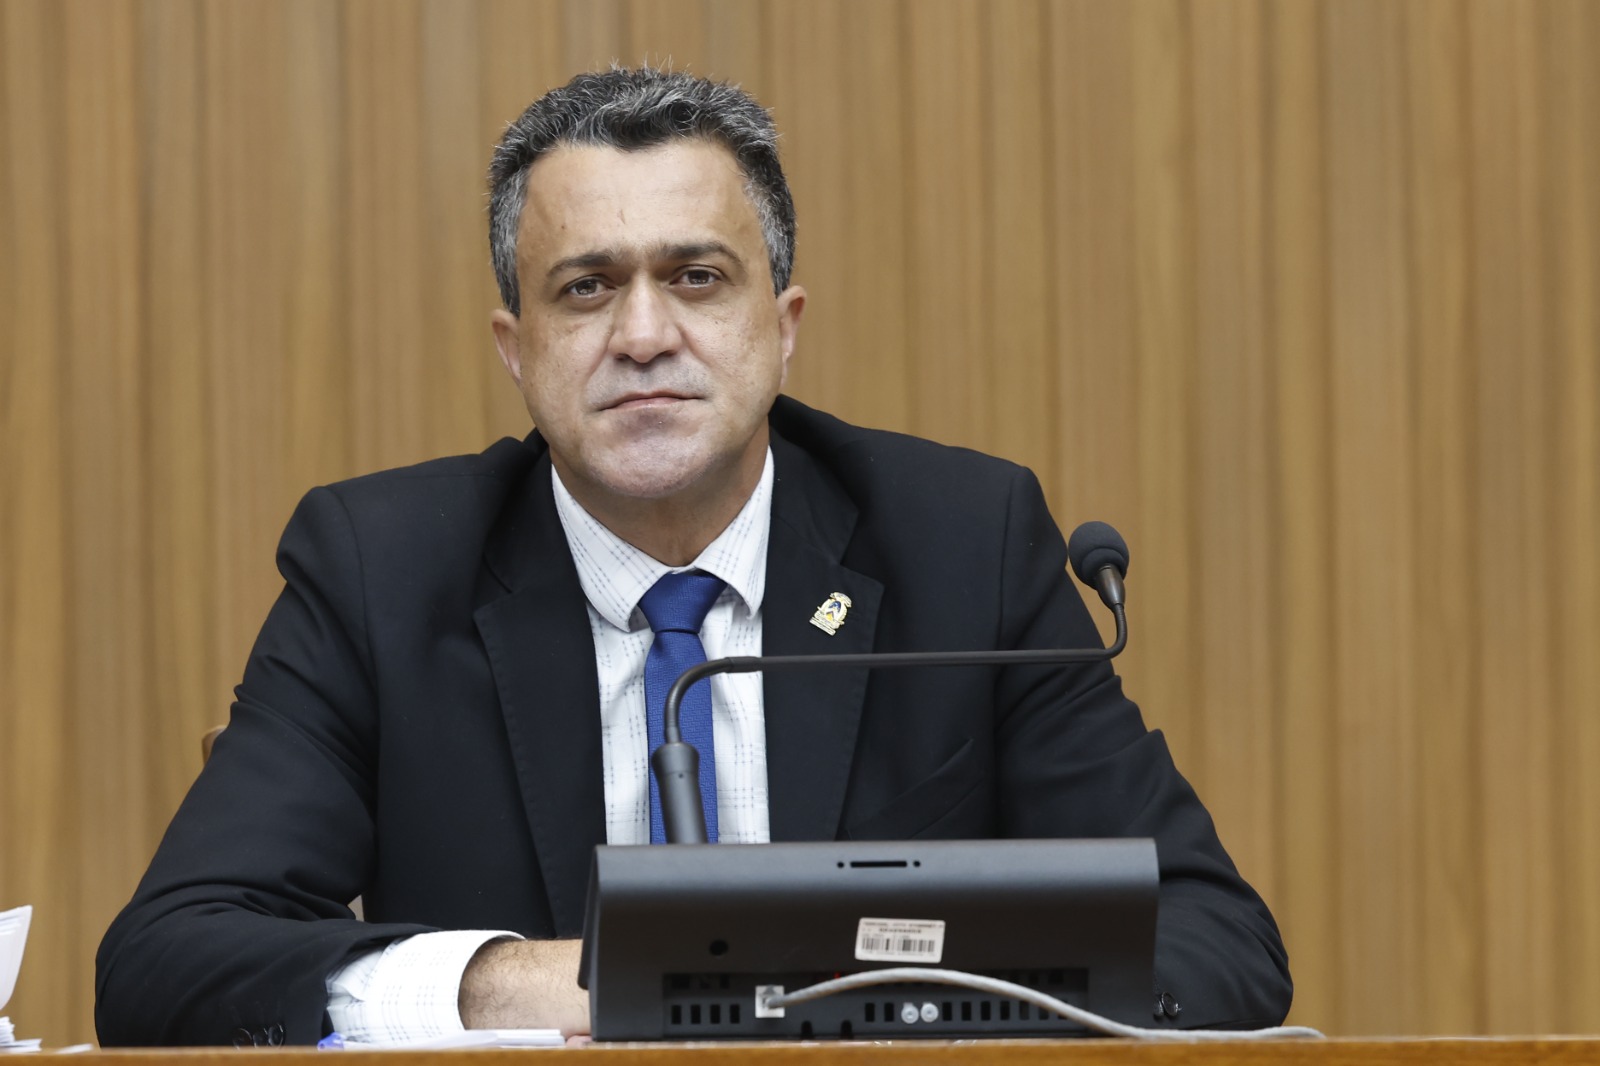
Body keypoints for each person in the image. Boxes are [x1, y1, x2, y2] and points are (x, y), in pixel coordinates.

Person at [95, 67, 1292, 1047]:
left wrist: (857, 998)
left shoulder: (963, 542)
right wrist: (530, 982)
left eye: (697, 278)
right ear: (516, 347)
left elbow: (1215, 943)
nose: (643, 334)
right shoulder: (381, 569)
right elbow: (168, 958)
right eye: (585, 288)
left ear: (781, 326)